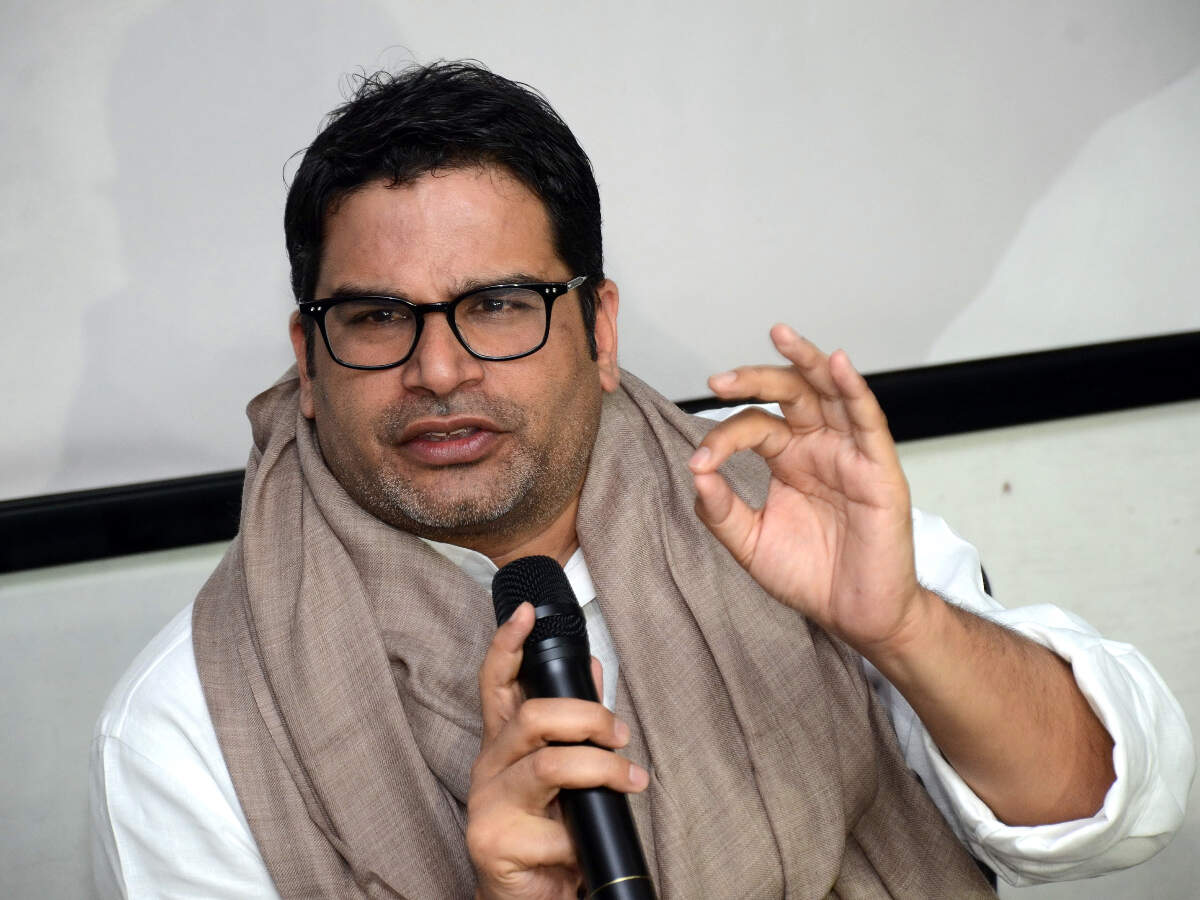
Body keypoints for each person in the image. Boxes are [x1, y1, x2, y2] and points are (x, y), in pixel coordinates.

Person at [91, 62, 1193, 899]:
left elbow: (1113, 811)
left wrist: (904, 626)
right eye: (378, 317)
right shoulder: (191, 722)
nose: (440, 370)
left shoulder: (774, 500)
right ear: (309, 360)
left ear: (600, 329)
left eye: (498, 305)